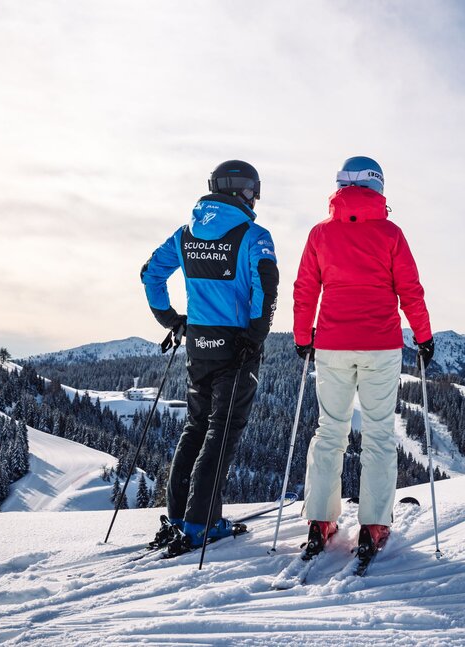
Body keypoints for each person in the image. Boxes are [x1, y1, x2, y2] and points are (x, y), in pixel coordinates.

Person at [293, 155, 435, 558]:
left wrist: (304, 337)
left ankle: (321, 519)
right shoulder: (390, 234)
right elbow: (411, 290)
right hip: (381, 344)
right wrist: (423, 337)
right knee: (377, 435)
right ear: (378, 188)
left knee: (330, 430)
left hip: (333, 344)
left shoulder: (321, 234)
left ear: (341, 186)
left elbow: (305, 289)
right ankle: (373, 524)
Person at [140, 160, 278, 551]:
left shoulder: (186, 234)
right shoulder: (254, 234)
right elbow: (266, 285)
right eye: (254, 190)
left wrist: (170, 319)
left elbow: (150, 273)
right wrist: (256, 334)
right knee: (222, 431)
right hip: (237, 344)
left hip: (198, 344)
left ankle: (180, 516)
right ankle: (202, 524)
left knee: (196, 427)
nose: (256, 197)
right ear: (242, 190)